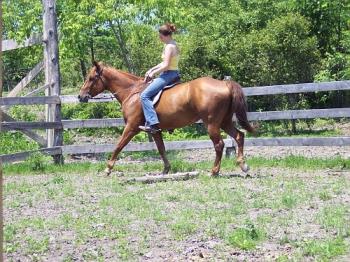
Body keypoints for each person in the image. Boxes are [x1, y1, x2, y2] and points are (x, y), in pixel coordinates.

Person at [139, 23, 180, 134]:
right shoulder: (172, 44)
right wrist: (151, 70)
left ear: (164, 35)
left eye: (160, 36)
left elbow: (166, 65)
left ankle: (153, 124)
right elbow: (163, 62)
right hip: (172, 73)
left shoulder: (169, 47)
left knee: (144, 96)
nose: (159, 38)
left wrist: (153, 74)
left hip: (169, 74)